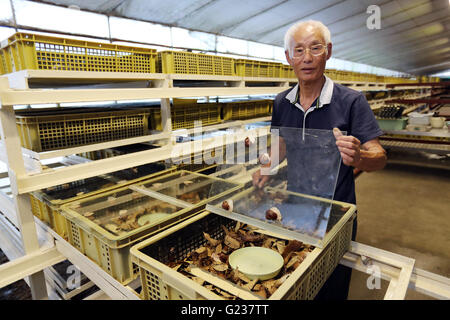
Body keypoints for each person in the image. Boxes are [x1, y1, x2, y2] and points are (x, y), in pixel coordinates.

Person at [252, 20, 387, 300]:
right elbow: (281, 144)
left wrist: (361, 155)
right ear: (288, 57)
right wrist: (266, 166)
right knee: (296, 282)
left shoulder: (351, 101)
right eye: (298, 50)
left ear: (328, 51)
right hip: (294, 208)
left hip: (336, 215)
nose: (307, 58)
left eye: (315, 48)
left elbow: (380, 157)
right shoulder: (281, 101)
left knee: (332, 286)